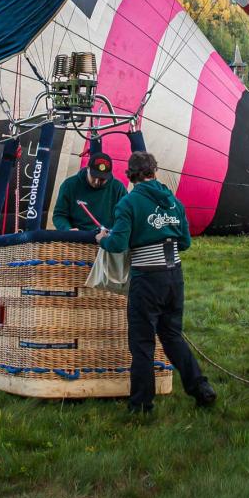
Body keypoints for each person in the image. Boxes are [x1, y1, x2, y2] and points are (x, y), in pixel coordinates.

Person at [96, 150, 216, 414]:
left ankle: (141, 404)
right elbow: (184, 242)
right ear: (154, 172)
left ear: (130, 175)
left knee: (142, 343)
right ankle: (201, 388)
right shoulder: (173, 201)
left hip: (147, 278)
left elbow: (117, 245)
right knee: (172, 335)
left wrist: (101, 238)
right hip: (174, 276)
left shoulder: (128, 204)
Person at [52, 152, 127, 232]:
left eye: (102, 179)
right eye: (94, 176)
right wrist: (67, 229)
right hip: (76, 240)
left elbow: (125, 217)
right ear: (88, 169)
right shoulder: (69, 185)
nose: (97, 182)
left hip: (106, 240)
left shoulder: (118, 188)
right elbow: (59, 215)